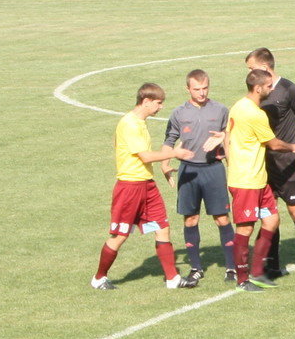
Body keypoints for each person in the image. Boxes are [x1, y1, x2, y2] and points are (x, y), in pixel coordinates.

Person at [94, 83, 197, 290]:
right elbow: (146, 156)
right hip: (130, 187)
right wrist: (174, 154)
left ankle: (172, 278)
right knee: (120, 236)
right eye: (158, 103)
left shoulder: (140, 122)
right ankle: (99, 278)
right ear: (146, 101)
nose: (160, 107)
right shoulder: (130, 124)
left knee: (162, 227)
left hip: (147, 185)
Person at [226, 68, 295, 291]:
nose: (273, 90)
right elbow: (274, 144)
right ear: (258, 87)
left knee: (272, 221)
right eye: (269, 86)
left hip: (258, 178)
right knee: (244, 229)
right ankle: (242, 278)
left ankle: (256, 272)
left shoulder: (238, 106)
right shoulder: (255, 114)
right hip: (246, 180)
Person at [244, 49, 295, 283]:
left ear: (265, 67)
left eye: (251, 68)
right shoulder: (259, 90)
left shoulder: (289, 90)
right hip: (263, 165)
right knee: (269, 215)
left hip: (288, 164)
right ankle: (272, 265)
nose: (249, 73)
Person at [163, 69, 231, 286]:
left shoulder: (221, 110)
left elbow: (231, 138)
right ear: (188, 89)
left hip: (214, 169)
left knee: (222, 219)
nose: (201, 93)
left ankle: (231, 266)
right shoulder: (178, 113)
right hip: (188, 171)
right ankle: (195, 268)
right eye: (197, 89)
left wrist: (231, 161)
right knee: (191, 219)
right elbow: (170, 139)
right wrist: (165, 164)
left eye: (205, 88)